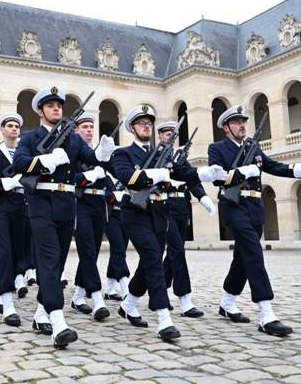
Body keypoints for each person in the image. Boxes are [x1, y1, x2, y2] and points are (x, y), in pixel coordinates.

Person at [110, 105, 227, 341]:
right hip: (135, 213)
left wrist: (205, 173)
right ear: (132, 128)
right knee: (153, 259)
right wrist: (155, 175)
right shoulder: (123, 153)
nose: (146, 126)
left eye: (148, 122)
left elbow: (183, 172)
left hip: (159, 214)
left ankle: (129, 304)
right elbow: (126, 177)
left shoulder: (163, 154)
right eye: (141, 123)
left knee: (147, 262)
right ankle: (164, 319)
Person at [12, 86, 115, 349]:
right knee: (47, 259)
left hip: (66, 204)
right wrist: (46, 160)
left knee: (56, 262)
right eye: (51, 105)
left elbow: (92, 160)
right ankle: (58, 322)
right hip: (41, 203)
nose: (57, 108)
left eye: (59, 105)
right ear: (40, 110)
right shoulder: (30, 136)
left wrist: (103, 152)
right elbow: (20, 164)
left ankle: (39, 314)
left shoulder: (73, 139)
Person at [208, 105, 301, 336]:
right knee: (254, 253)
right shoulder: (217, 148)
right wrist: (243, 172)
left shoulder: (253, 146)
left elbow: (273, 166)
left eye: (243, 122)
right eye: (237, 122)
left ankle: (227, 302)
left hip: (255, 208)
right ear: (226, 127)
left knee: (242, 258)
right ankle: (266, 313)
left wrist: (299, 169)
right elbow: (218, 179)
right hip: (234, 206)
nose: (242, 126)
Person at [0, 113, 35, 328]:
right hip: (1, 207)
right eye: (9, 126)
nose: (13, 129)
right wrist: (6, 183)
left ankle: (3, 292)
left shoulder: (23, 152)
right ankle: (7, 302)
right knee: (4, 252)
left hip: (21, 206)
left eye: (16, 126)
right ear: (2, 130)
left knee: (19, 252)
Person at [157, 120, 214, 318]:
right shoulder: (155, 156)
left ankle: (161, 290)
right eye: (166, 133)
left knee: (174, 252)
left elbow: (192, 178)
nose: (170, 136)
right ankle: (185, 300)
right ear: (160, 136)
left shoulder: (180, 157)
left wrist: (203, 197)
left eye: (173, 133)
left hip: (181, 207)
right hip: (164, 207)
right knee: (178, 251)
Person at [70, 112, 110, 321]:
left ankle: (77, 296)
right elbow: (70, 178)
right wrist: (87, 177)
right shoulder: (73, 152)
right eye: (84, 127)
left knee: (91, 251)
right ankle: (96, 298)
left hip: (98, 204)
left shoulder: (99, 152)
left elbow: (111, 176)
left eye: (91, 127)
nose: (89, 130)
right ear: (76, 130)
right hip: (81, 202)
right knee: (86, 249)